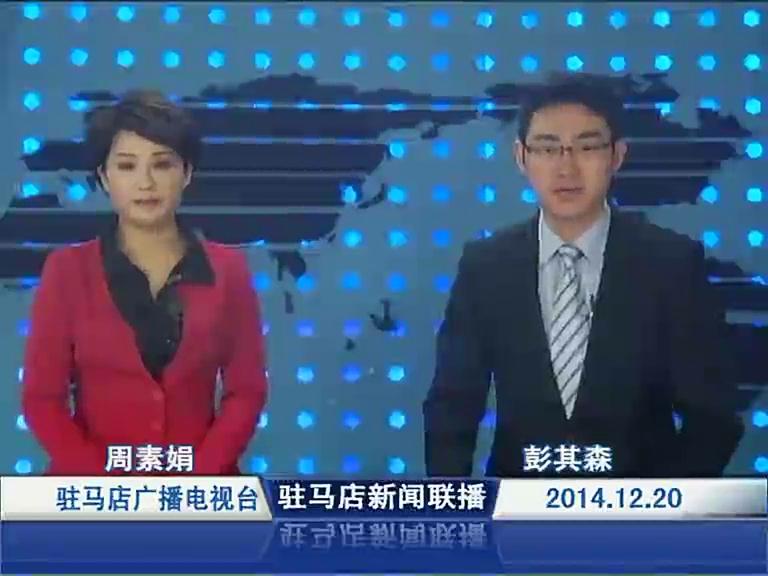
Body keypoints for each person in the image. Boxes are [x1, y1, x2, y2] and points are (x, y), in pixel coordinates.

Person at [423, 74, 743, 477]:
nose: (566, 167)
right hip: (518, 504)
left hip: (638, 507)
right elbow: (452, 405)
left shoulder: (671, 263)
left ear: (617, 156)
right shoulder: (486, 266)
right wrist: (457, 502)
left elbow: (714, 416)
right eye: (548, 148)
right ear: (521, 157)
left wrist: (662, 504)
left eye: (587, 147)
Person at [22, 90, 268, 475]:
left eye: (162, 164)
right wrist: (107, 489)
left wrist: (196, 480)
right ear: (104, 177)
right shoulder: (67, 271)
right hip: (92, 492)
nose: (145, 183)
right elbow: (43, 400)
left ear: (186, 173)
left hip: (198, 490)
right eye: (127, 166)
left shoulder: (229, 270)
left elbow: (247, 392)